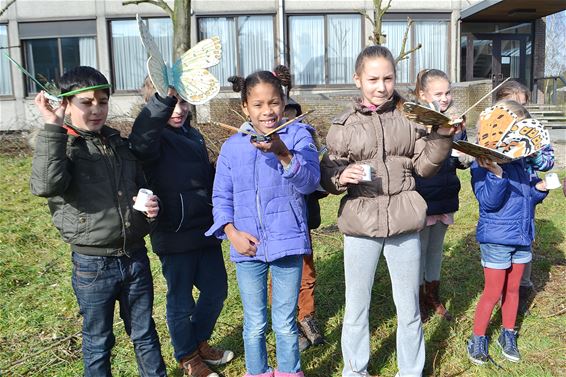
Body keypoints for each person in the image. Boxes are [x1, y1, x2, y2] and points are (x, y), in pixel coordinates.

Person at [320, 46, 455, 377]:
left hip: (405, 223)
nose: (381, 86)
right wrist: (339, 176)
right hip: (361, 225)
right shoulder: (344, 125)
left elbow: (425, 168)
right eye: (373, 79)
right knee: (356, 306)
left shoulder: (412, 119)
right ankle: (355, 370)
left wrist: (441, 137)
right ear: (357, 80)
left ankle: (410, 371)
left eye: (388, 78)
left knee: (408, 307)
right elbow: (327, 171)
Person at [30, 66, 167, 377]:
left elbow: (137, 183)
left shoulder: (118, 144)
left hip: (134, 257)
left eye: (102, 101)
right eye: (86, 102)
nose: (96, 110)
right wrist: (53, 125)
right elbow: (46, 186)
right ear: (64, 104)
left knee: (145, 334)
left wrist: (149, 207)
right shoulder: (61, 145)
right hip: (92, 266)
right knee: (98, 340)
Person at [205, 65, 320, 377]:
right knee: (254, 322)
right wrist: (231, 232)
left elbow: (310, 182)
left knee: (284, 322)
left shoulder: (298, 136)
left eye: (274, 102)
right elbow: (221, 198)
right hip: (247, 248)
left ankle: (288, 371)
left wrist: (283, 154)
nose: (267, 111)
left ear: (283, 103)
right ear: (245, 107)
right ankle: (257, 372)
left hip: (288, 244)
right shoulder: (232, 147)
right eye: (258, 104)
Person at [128, 78, 233, 377]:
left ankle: (199, 342)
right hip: (174, 234)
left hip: (205, 230)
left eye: (184, 102)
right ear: (156, 106)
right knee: (181, 301)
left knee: (216, 292)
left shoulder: (195, 136)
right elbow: (141, 141)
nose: (179, 110)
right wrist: (161, 104)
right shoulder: (154, 139)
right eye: (171, 104)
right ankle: (188, 357)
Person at [466, 100, 548, 365]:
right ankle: (478, 337)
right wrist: (497, 174)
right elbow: (489, 202)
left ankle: (507, 334)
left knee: (513, 290)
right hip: (497, 239)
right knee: (493, 291)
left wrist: (541, 188)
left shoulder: (523, 163)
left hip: (522, 236)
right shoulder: (483, 162)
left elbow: (528, 198)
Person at [413, 69, 473, 322]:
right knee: (419, 250)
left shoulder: (456, 122)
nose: (445, 98)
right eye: (438, 93)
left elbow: (460, 160)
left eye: (448, 92)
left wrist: (466, 157)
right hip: (421, 196)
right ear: (422, 94)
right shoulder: (415, 123)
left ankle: (432, 294)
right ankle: (416, 299)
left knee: (435, 250)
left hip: (446, 194)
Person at [494, 79, 555, 315]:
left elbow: (548, 161)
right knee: (500, 237)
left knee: (523, 236)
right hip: (503, 191)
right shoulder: (494, 131)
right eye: (512, 106)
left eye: (523, 107)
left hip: (527, 192)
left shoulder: (534, 131)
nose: (519, 113)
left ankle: (521, 287)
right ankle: (499, 284)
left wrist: (532, 151)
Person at [283, 97, 326, 351]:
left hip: (302, 220)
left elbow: (316, 184)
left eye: (292, 114)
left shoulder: (306, 141)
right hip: (277, 224)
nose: (288, 120)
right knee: (282, 275)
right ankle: (288, 323)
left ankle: (307, 317)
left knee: (306, 272)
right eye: (284, 114)